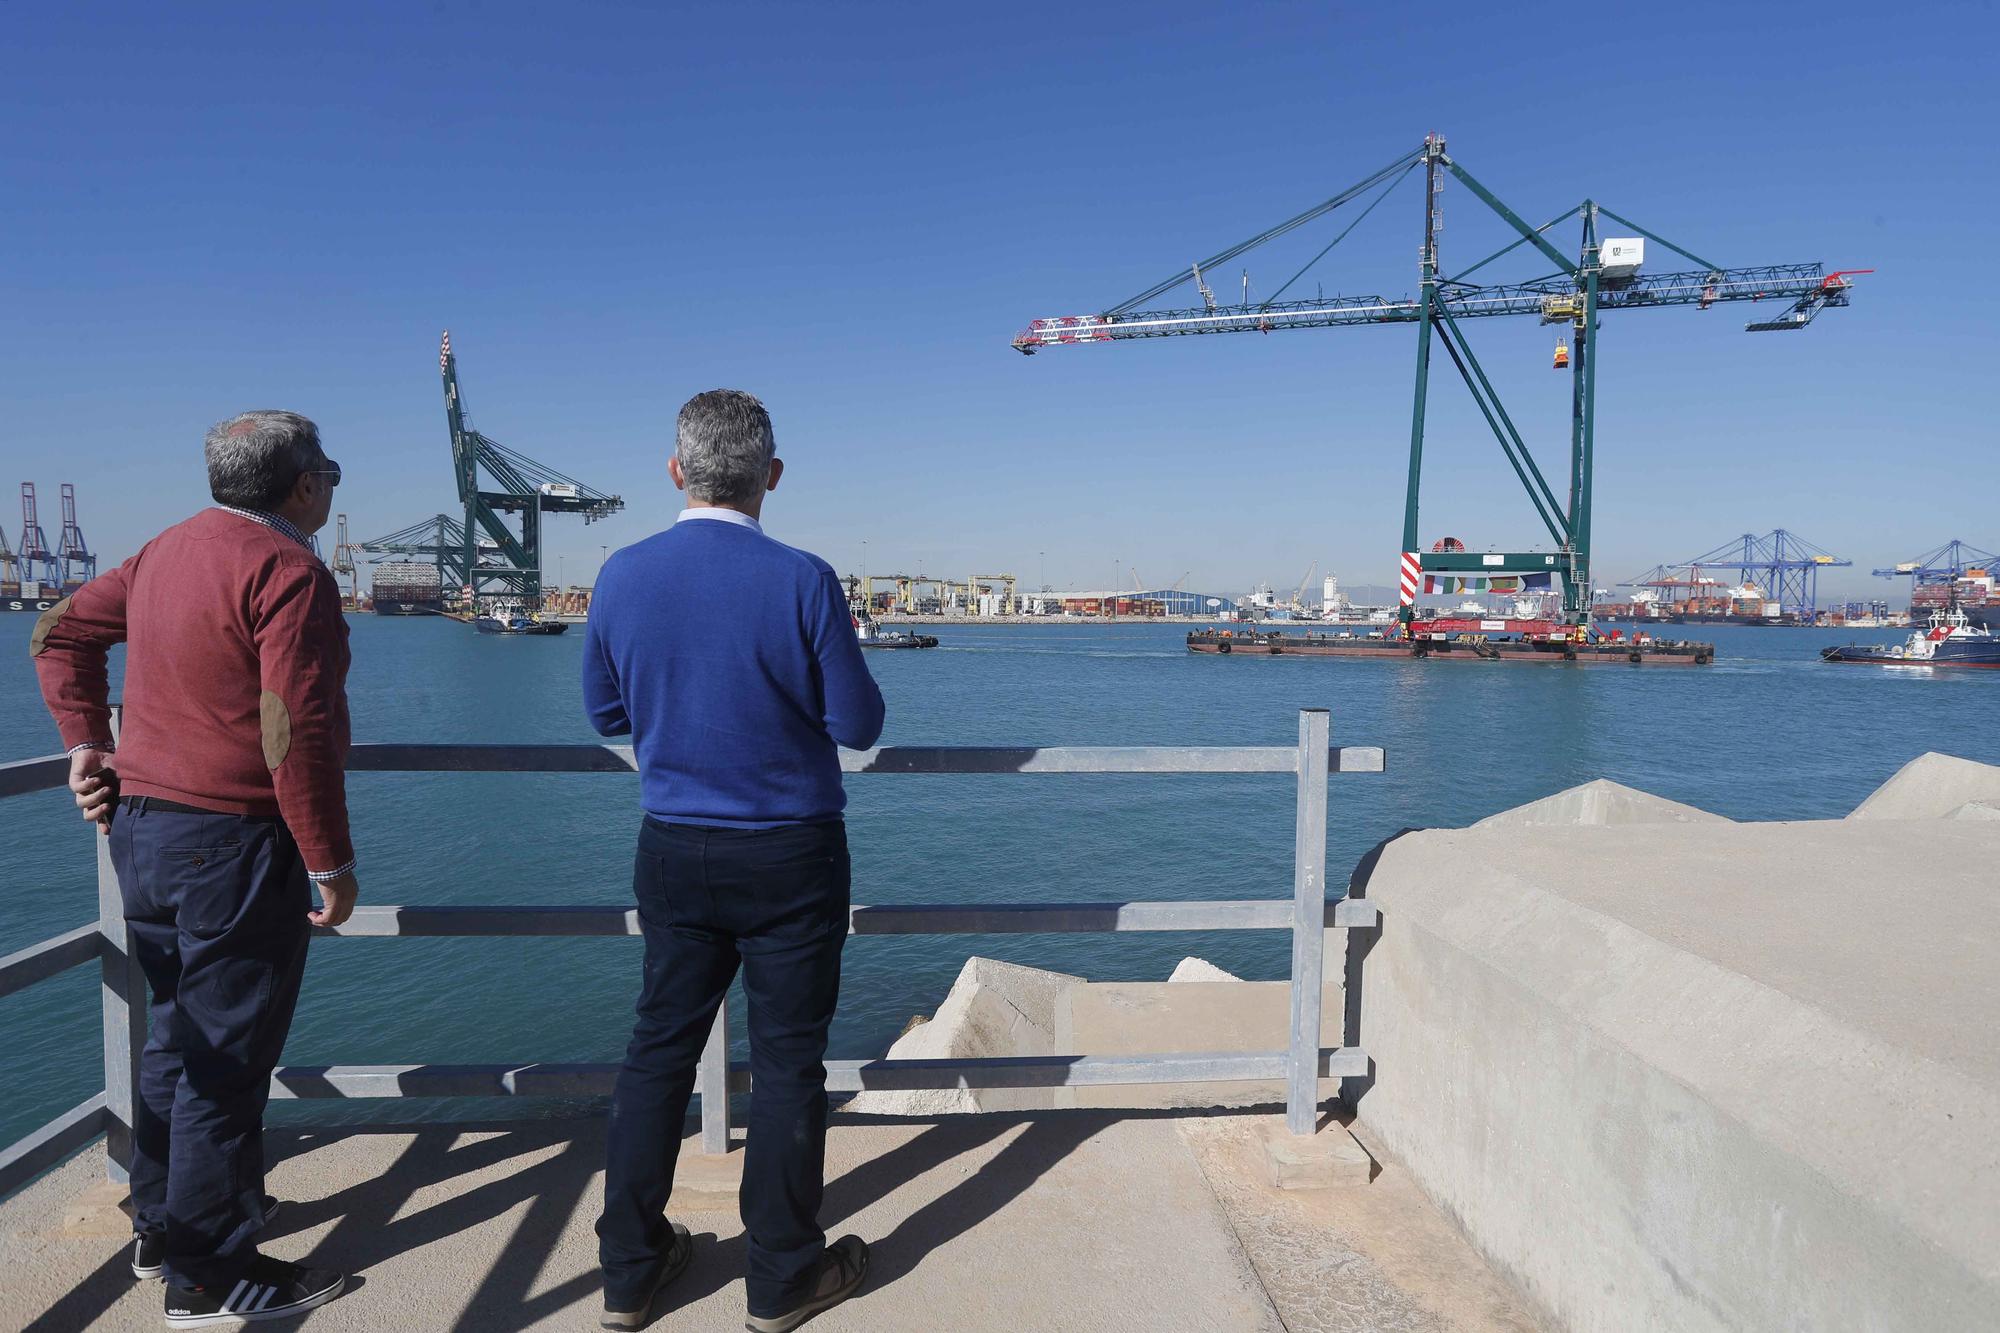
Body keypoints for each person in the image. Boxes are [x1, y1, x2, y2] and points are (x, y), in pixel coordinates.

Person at [32, 411, 355, 1327]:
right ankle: (208, 1275)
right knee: (228, 1058)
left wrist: (86, 741)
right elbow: (292, 731)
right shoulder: (291, 571)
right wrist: (331, 860)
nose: (332, 485)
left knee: (175, 1036)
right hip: (236, 846)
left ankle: (162, 1221)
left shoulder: (162, 551)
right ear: (301, 486)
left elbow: (57, 631)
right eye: (329, 471)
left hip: (144, 834)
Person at [586, 389, 884, 1332]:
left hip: (673, 848)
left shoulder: (621, 575)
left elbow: (605, 714)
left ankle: (629, 1274)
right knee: (790, 1064)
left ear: (675, 472)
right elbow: (861, 724)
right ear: (772, 476)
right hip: (792, 852)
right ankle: (782, 1277)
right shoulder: (804, 579)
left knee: (656, 1054)